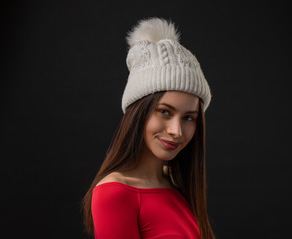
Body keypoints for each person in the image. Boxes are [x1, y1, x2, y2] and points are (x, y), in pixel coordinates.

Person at [82, 17, 215, 239]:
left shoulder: (175, 183)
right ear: (138, 114)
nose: (177, 131)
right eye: (165, 112)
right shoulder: (115, 193)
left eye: (189, 118)